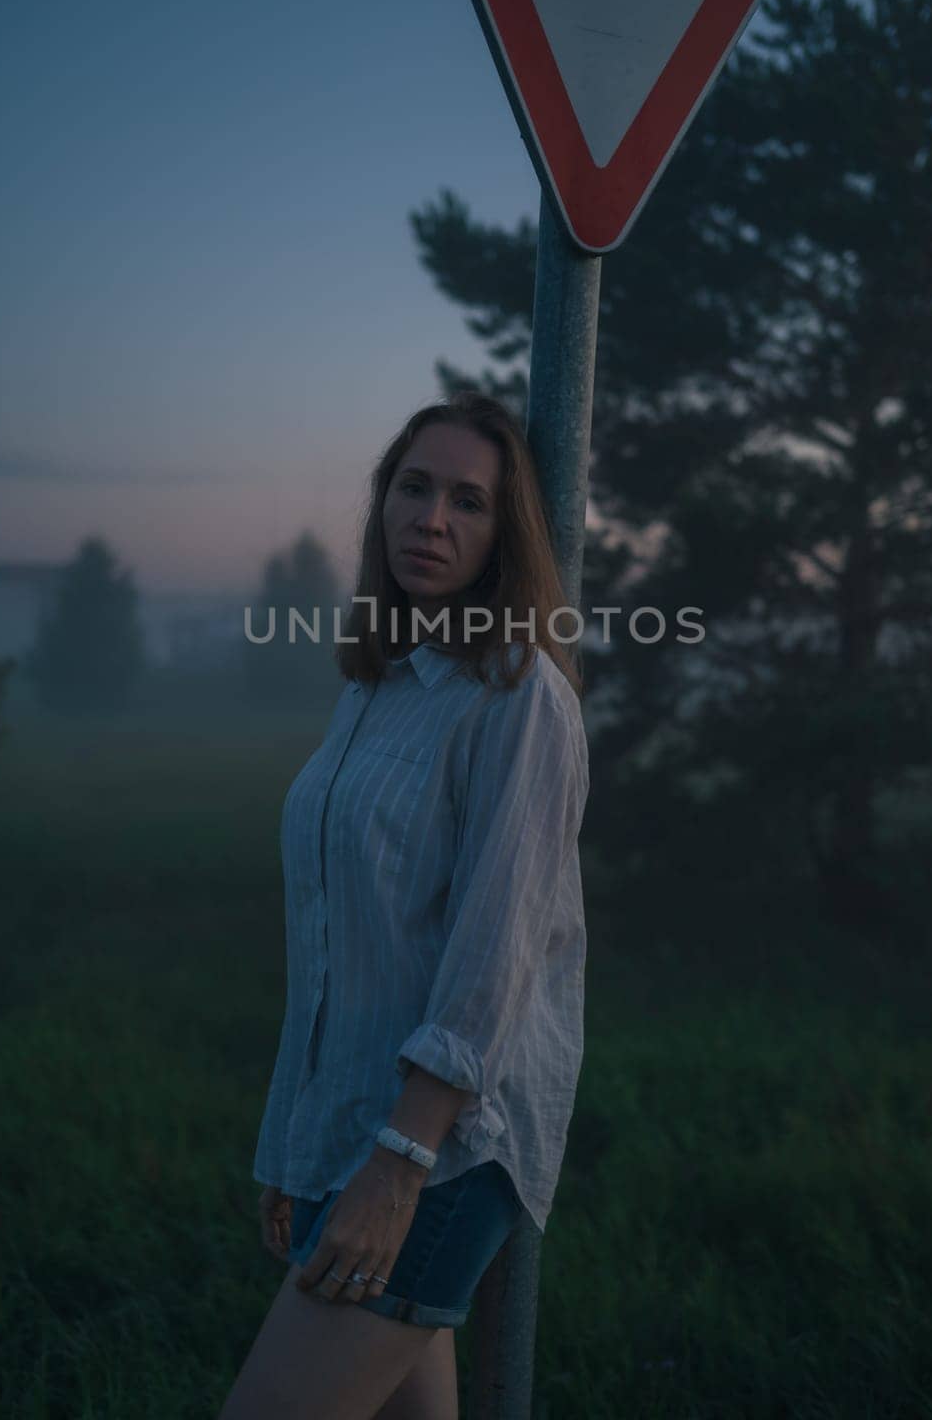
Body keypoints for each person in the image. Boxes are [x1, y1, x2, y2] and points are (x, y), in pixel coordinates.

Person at [218, 392, 590, 1420]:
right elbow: (337, 945)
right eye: (415, 487)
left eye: (469, 501)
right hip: (355, 1132)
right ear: (382, 504)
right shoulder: (379, 686)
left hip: (444, 1151)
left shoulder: (519, 697)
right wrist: (302, 1142)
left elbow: (496, 952)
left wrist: (399, 1163)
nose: (433, 518)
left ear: (500, 538)